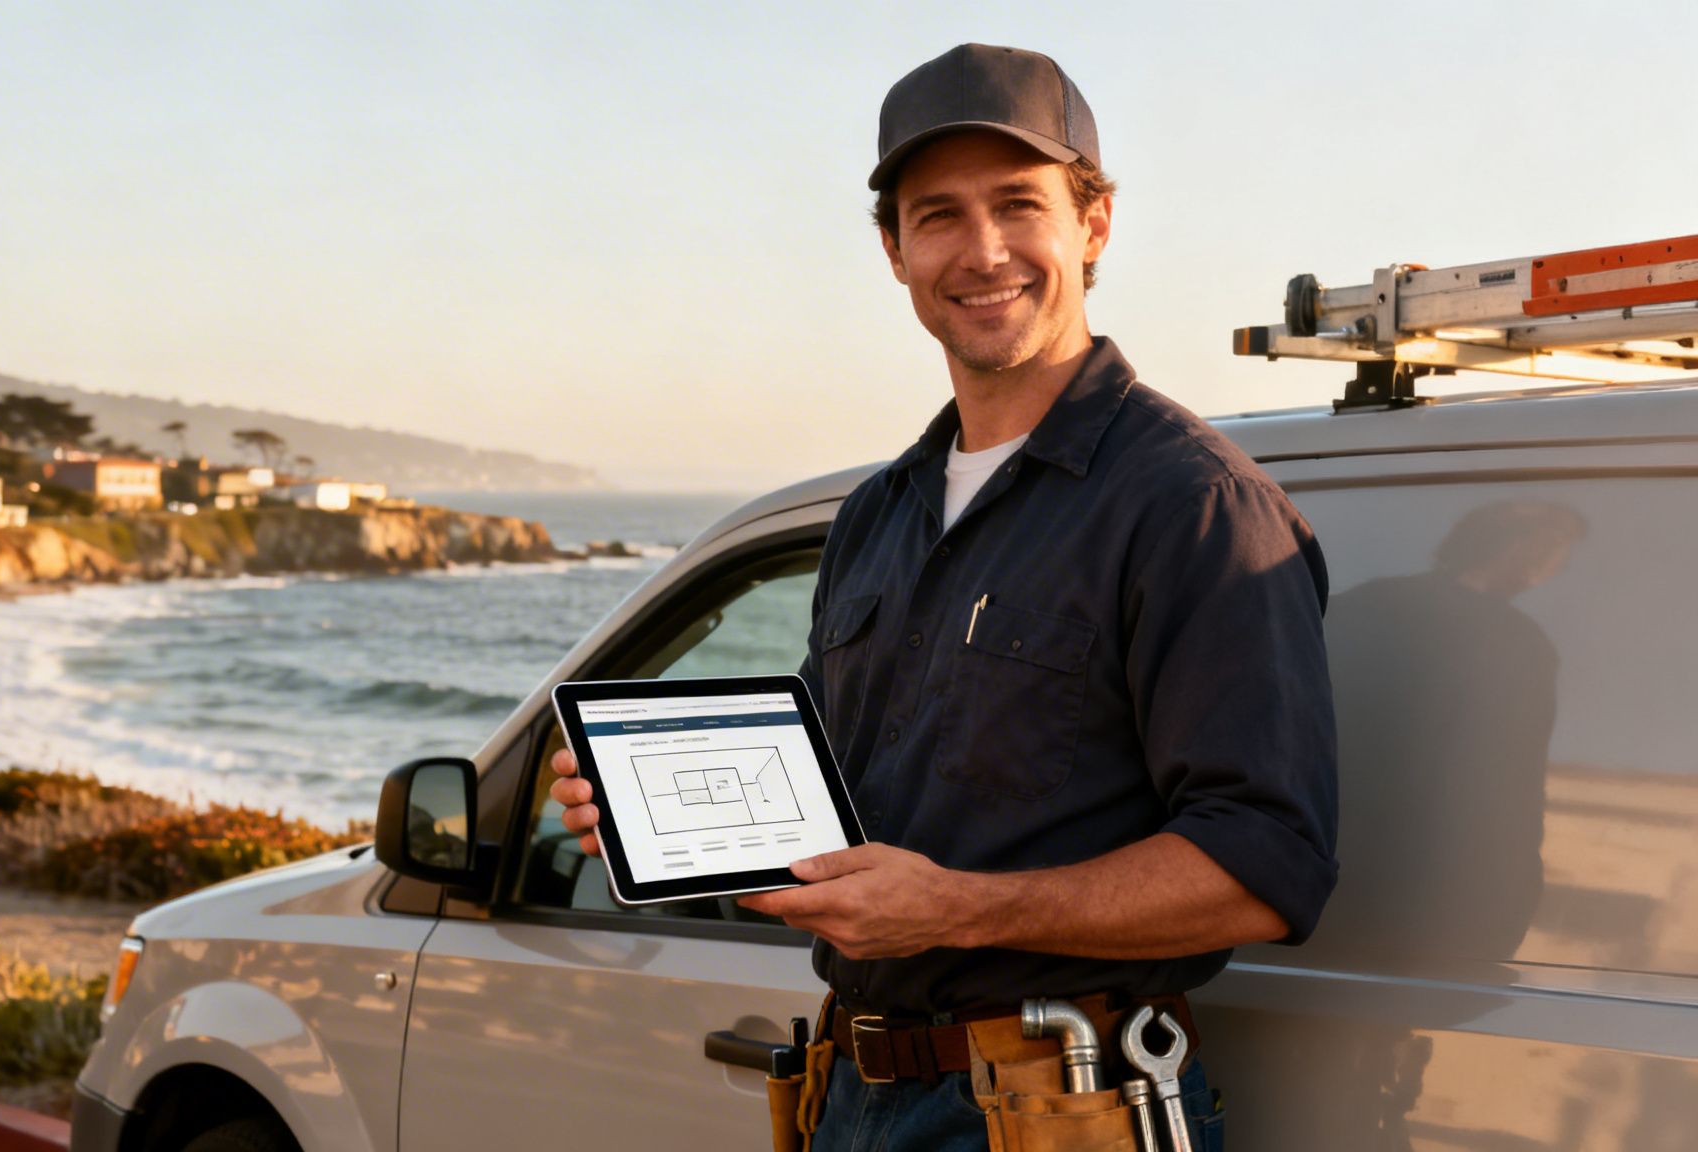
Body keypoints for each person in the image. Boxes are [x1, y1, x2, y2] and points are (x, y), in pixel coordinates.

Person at [552, 43, 1337, 1151]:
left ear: (1093, 225)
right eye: (937, 216)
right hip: (848, 1092)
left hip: (1068, 1101)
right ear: (892, 249)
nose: (981, 252)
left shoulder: (1192, 506)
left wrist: (957, 906)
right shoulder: (874, 515)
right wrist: (648, 820)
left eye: (1019, 205)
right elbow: (833, 817)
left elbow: (1262, 869)